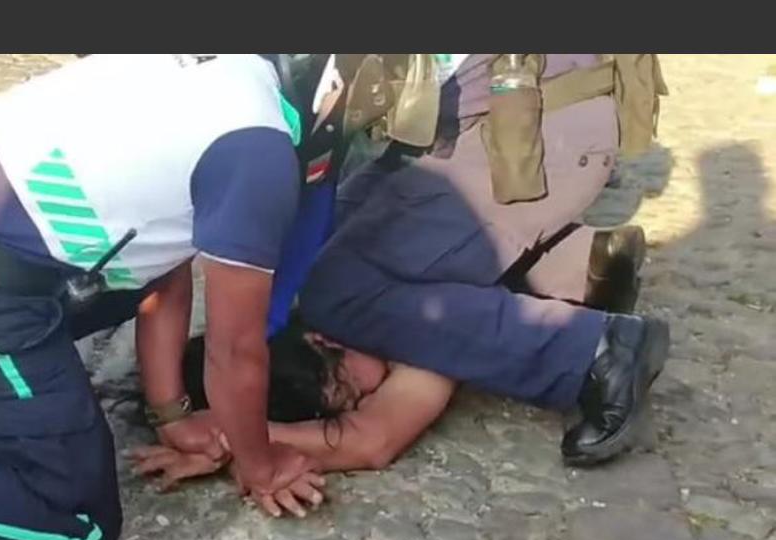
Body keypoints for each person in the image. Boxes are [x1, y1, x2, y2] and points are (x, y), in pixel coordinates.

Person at [0, 54, 440, 540]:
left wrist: (172, 413)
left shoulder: (229, 72)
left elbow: (163, 269)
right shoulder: (259, 151)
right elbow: (235, 351)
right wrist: (260, 465)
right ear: (334, 89)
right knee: (75, 520)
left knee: (122, 276)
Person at [130, 54, 671, 489]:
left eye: (345, 391)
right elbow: (370, 439)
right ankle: (577, 268)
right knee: (362, 252)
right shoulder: (402, 329)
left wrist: (235, 436)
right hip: (474, 117)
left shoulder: (353, 311)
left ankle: (597, 352)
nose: (371, 393)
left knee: (340, 284)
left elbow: (365, 432)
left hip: (528, 116)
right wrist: (240, 437)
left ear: (319, 341)